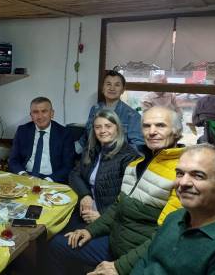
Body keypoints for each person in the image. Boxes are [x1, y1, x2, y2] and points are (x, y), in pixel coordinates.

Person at [48, 106, 184, 275]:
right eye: (147, 126)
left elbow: (165, 236)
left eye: (160, 125)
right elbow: (117, 207)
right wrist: (90, 231)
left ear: (176, 130)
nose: (152, 131)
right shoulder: (138, 164)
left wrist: (119, 266)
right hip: (114, 242)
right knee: (57, 244)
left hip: (138, 257)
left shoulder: (183, 172)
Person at [131, 144, 215, 274]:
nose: (183, 182)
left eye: (198, 175)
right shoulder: (174, 217)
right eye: (180, 173)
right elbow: (146, 260)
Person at [66, 109, 140, 229]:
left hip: (109, 218)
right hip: (85, 208)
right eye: (98, 127)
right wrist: (85, 195)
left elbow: (128, 197)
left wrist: (102, 216)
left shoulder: (129, 156)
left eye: (108, 126)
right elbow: (74, 174)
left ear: (117, 128)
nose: (103, 131)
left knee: (61, 242)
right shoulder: (91, 149)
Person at [77, 70, 144, 155]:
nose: (112, 88)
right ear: (102, 88)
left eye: (117, 85)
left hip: (117, 160)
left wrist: (121, 161)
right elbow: (86, 137)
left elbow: (138, 146)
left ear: (123, 90)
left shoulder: (132, 115)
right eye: (108, 84)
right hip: (93, 157)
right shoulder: (95, 109)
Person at [8, 97, 74, 183]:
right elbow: (13, 160)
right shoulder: (22, 131)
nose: (40, 116)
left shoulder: (64, 133)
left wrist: (47, 180)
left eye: (44, 111)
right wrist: (23, 175)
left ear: (52, 113)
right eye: (35, 112)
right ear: (31, 115)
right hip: (26, 176)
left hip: (52, 179)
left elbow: (68, 166)